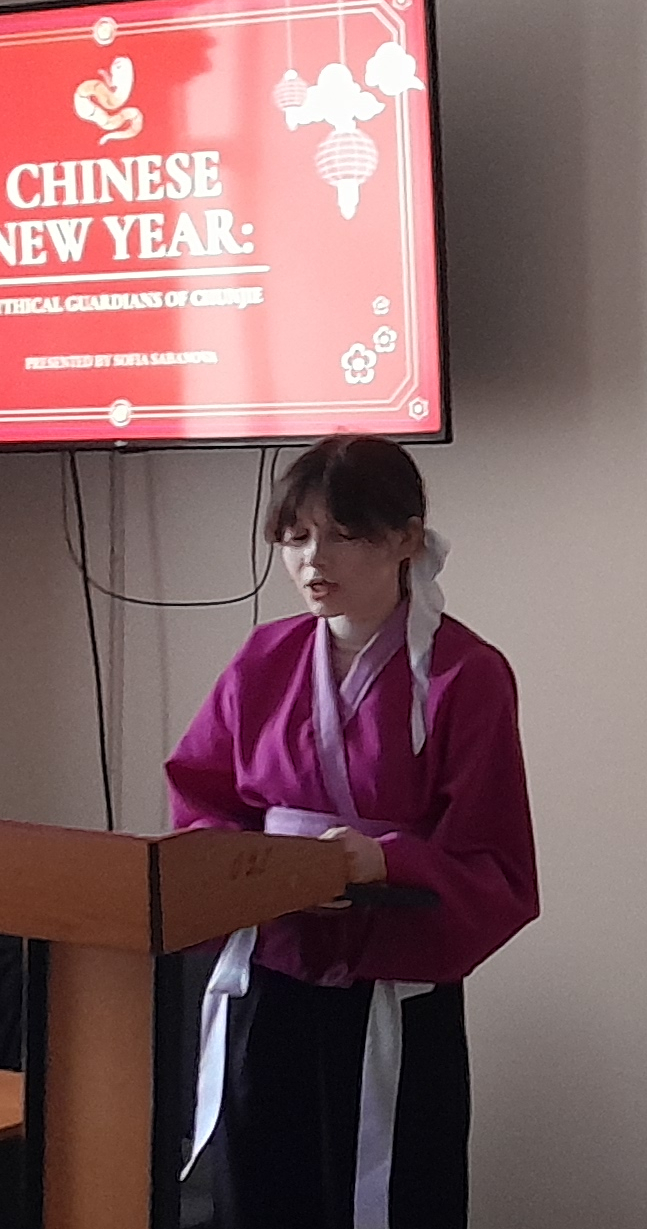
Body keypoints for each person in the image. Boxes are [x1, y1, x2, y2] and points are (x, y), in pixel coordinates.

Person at [164, 435, 538, 1229]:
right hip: (271, 973)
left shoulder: (466, 674)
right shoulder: (262, 659)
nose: (313, 560)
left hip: (391, 987)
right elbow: (202, 799)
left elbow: (491, 856)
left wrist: (383, 863)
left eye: (342, 534)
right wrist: (255, 868)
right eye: (296, 536)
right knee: (260, 1194)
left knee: (391, 1197)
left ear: (405, 539)